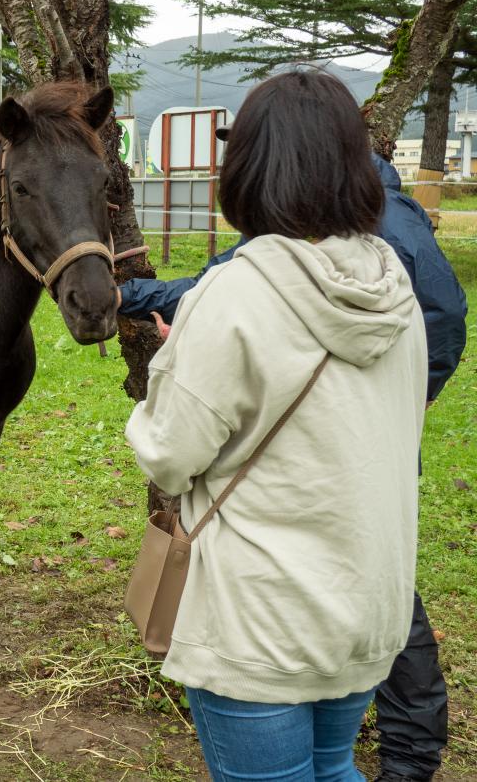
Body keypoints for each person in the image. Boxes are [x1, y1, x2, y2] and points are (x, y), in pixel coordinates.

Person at [121, 133, 465, 782]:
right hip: (360, 602)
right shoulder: (396, 283)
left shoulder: (232, 289)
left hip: (258, 620)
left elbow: (168, 455)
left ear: (251, 175)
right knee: (333, 766)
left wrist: (177, 357)